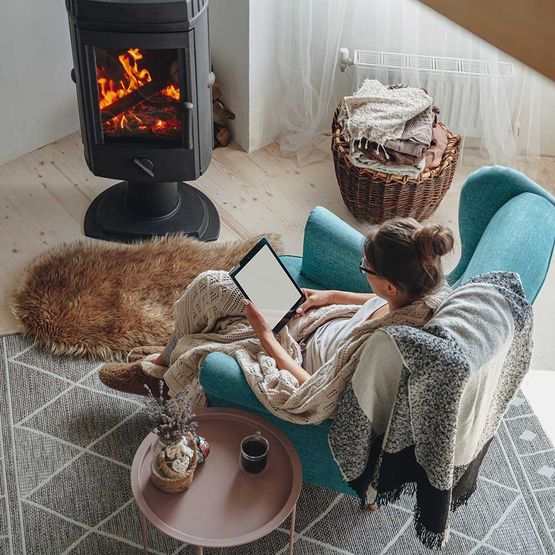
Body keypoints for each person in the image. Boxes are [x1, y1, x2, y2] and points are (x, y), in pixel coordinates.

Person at [99, 217, 453, 399]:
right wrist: (325, 296)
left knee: (218, 301)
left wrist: (265, 336)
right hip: (309, 321)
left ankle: (163, 372)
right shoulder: (415, 291)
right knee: (216, 285)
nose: (362, 273)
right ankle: (167, 355)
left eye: (365, 269)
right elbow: (374, 301)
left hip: (293, 352)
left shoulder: (383, 348)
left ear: (391, 284)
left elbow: (320, 388)